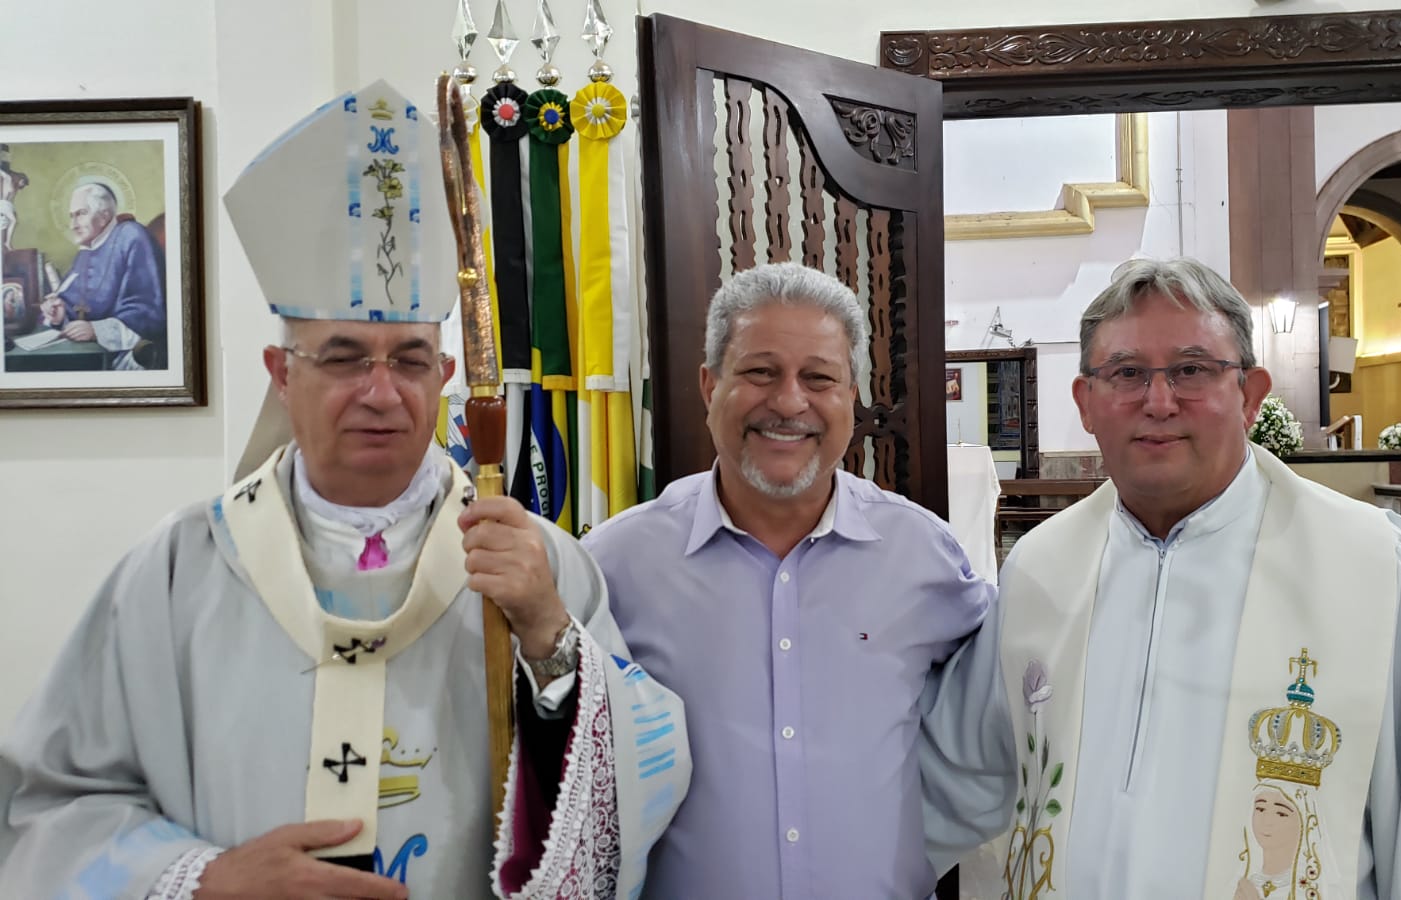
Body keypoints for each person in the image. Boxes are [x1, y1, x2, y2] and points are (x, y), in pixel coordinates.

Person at [0, 79, 688, 900]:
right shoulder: (179, 569)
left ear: (444, 376)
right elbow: (53, 805)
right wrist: (204, 880)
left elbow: (649, 771)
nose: (380, 392)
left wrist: (548, 639)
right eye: (342, 357)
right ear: (281, 373)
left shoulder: (533, 562)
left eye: (409, 360)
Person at [989, 257, 1401, 898]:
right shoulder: (1039, 570)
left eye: (1192, 370)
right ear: (1086, 403)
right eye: (1126, 373)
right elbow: (974, 779)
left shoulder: (1374, 571)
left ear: (1251, 395)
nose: (1158, 401)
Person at [580, 261, 1014, 899]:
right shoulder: (618, 565)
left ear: (851, 396)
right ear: (709, 385)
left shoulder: (922, 556)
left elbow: (998, 710)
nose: (788, 403)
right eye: (760, 372)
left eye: (819, 378)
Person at [37, 181, 167, 369]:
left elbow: (146, 311)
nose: (73, 225)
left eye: (81, 214)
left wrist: (97, 331)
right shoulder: (86, 250)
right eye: (71, 216)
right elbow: (75, 305)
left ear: (104, 215)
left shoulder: (132, 236)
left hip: (131, 356)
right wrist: (60, 315)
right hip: (90, 352)